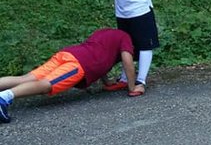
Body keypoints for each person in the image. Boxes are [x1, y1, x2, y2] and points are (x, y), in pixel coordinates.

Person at [0, 29, 138, 124]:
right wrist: (132, 87)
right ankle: (4, 98)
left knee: (26, 78)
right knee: (47, 85)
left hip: (69, 53)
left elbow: (100, 56)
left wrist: (107, 82)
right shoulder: (125, 37)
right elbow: (127, 61)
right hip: (79, 64)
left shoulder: (108, 32)